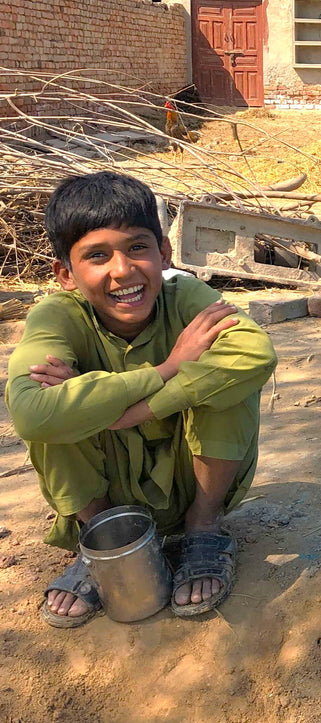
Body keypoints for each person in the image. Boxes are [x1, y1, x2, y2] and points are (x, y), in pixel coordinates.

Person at [5, 172, 277, 626]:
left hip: (189, 484)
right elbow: (32, 411)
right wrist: (167, 369)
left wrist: (134, 409)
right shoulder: (56, 316)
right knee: (57, 416)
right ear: (65, 274)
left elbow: (256, 352)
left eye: (137, 248)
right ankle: (100, 543)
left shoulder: (186, 296)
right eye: (97, 256)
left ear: (164, 253)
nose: (123, 270)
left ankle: (203, 530)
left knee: (228, 380)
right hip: (108, 494)